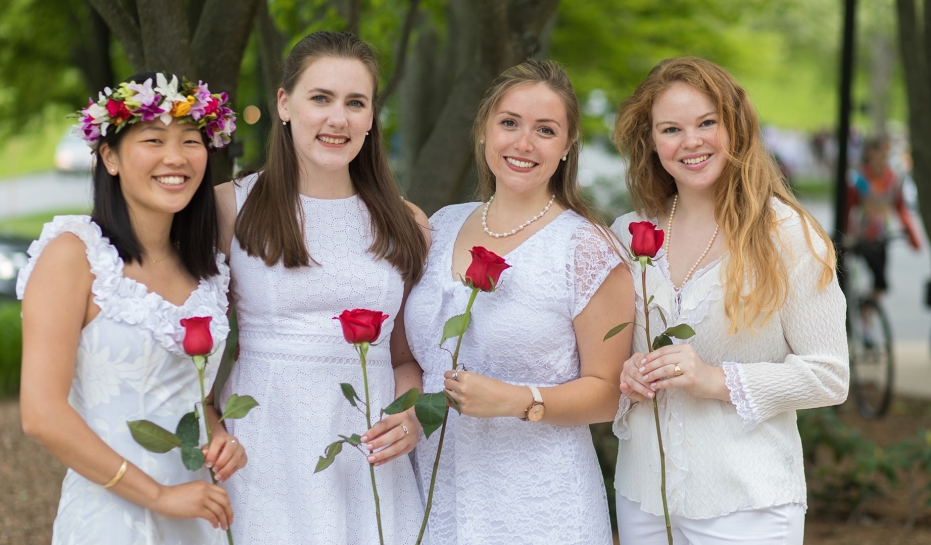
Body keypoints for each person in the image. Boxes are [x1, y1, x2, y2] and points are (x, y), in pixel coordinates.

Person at [610, 56, 849, 544]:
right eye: (671, 128)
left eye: (707, 123)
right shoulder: (629, 234)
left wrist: (715, 379)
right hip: (642, 499)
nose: (691, 141)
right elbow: (607, 360)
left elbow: (830, 375)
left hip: (747, 503)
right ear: (651, 141)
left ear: (735, 128)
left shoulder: (788, 235)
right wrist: (627, 374)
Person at [404, 59, 634, 544]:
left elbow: (610, 391)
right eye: (509, 123)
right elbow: (412, 360)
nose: (523, 143)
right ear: (485, 128)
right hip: (435, 490)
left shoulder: (586, 248)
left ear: (568, 145)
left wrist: (517, 400)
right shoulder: (442, 225)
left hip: (539, 502)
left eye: (545, 130)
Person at [214, 31, 428, 544]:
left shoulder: (407, 223)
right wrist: (210, 424)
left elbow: (404, 356)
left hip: (369, 455)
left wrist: (412, 412)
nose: (339, 119)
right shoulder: (229, 207)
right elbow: (191, 345)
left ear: (372, 116)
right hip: (263, 445)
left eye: (356, 102)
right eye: (321, 98)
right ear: (284, 104)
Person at [18, 72, 244, 544]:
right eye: (154, 140)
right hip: (112, 518)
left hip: (197, 512)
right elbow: (41, 413)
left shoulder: (205, 269)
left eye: (190, 140)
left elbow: (193, 395)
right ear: (109, 156)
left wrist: (217, 433)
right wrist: (159, 496)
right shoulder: (74, 255)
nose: (175, 157)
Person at [848, 136, 921, 301]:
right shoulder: (859, 178)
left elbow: (899, 207)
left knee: (880, 284)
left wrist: (910, 234)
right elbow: (849, 207)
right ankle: (862, 311)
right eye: (879, 151)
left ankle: (868, 311)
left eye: (886, 152)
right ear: (869, 153)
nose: (883, 156)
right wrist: (847, 233)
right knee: (876, 277)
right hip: (863, 235)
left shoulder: (891, 179)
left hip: (882, 234)